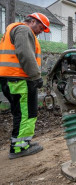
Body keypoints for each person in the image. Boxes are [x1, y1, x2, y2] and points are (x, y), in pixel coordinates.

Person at [0, 12, 50, 159]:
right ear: (33, 21)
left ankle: (24, 143)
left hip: (13, 79)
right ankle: (18, 149)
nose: (41, 32)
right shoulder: (23, 30)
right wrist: (36, 76)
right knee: (26, 115)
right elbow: (25, 54)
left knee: (23, 113)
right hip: (20, 80)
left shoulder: (14, 30)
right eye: (41, 28)